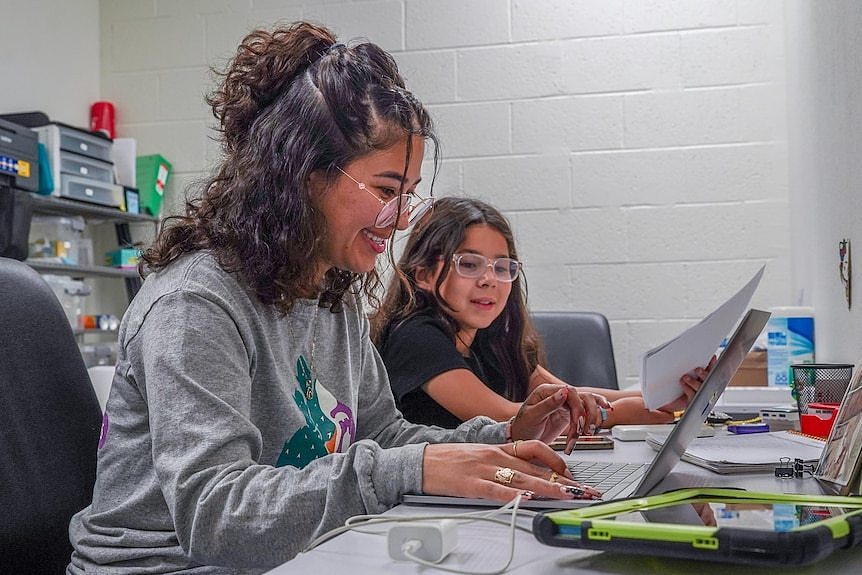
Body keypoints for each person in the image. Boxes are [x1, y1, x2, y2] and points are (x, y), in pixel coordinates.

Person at [66, 23, 604, 574]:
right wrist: (414, 470)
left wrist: (501, 439)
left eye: (408, 196)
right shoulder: (195, 303)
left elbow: (383, 433)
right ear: (302, 174)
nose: (398, 221)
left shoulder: (329, 296)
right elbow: (217, 516)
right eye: (387, 190)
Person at [371, 196, 709, 430]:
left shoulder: (489, 338)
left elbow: (571, 394)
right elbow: (510, 418)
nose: (490, 280)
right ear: (424, 274)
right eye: (470, 264)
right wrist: (625, 412)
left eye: (502, 267)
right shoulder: (415, 336)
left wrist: (668, 392)